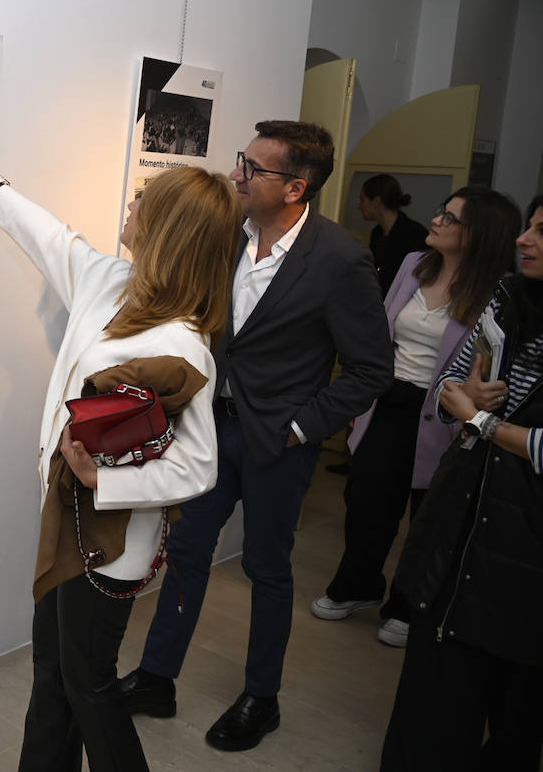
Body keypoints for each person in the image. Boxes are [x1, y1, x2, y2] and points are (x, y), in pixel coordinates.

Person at [0, 149, 242, 772]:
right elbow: (55, 241)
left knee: (87, 685)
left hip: (108, 541)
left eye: (144, 203)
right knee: (54, 675)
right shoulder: (110, 281)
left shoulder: (182, 343)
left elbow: (199, 467)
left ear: (166, 232)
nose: (130, 206)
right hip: (66, 524)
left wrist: (100, 478)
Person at [120, 121, 393, 752]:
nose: (237, 174)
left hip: (279, 443)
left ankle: (261, 698)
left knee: (266, 569)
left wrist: (302, 427)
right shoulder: (227, 235)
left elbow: (372, 369)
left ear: (296, 188)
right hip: (210, 430)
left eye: (253, 168)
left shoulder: (339, 258)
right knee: (187, 552)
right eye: (242, 160)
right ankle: (157, 678)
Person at [313, 187, 521, 646]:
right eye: (441, 211)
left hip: (445, 413)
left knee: (429, 514)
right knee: (367, 501)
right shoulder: (413, 264)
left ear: (479, 234)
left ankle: (408, 606)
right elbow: (380, 334)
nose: (437, 220)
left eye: (451, 218)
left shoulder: (500, 290)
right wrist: (360, 402)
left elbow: (495, 364)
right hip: (387, 401)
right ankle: (357, 585)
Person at [380, 195, 543, 771]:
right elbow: (450, 383)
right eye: (530, 227)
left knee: (515, 695)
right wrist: (467, 400)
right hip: (465, 508)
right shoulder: (507, 297)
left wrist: (482, 421)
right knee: (438, 673)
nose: (526, 240)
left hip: (526, 535)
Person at [359, 173, 428, 297]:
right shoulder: (377, 233)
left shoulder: (415, 234)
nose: (359, 206)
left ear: (376, 201)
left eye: (362, 200)